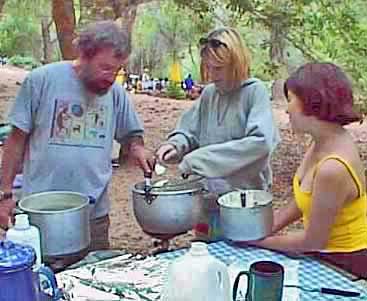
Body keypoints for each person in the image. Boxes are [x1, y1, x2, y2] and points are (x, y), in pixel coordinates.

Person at [0, 21, 153, 259]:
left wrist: (138, 149)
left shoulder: (116, 93)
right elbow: (15, 141)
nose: (111, 77)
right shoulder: (42, 80)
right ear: (83, 55)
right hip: (41, 212)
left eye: (117, 70)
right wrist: (5, 194)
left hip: (94, 217)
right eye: (104, 68)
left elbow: (132, 136)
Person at [242, 62, 367, 278]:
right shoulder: (321, 141)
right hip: (323, 256)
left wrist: (260, 241)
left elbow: (313, 241)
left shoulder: (333, 168)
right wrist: (265, 228)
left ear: (313, 102)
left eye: (291, 100)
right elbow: (303, 201)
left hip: (345, 263)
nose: (287, 108)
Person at [155, 27, 280, 241]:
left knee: (239, 260)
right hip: (208, 199)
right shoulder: (209, 94)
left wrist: (198, 159)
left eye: (219, 68)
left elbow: (260, 144)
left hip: (243, 204)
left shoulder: (254, 92)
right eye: (208, 68)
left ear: (237, 63)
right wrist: (176, 145)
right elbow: (190, 131)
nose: (212, 75)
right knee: (206, 256)